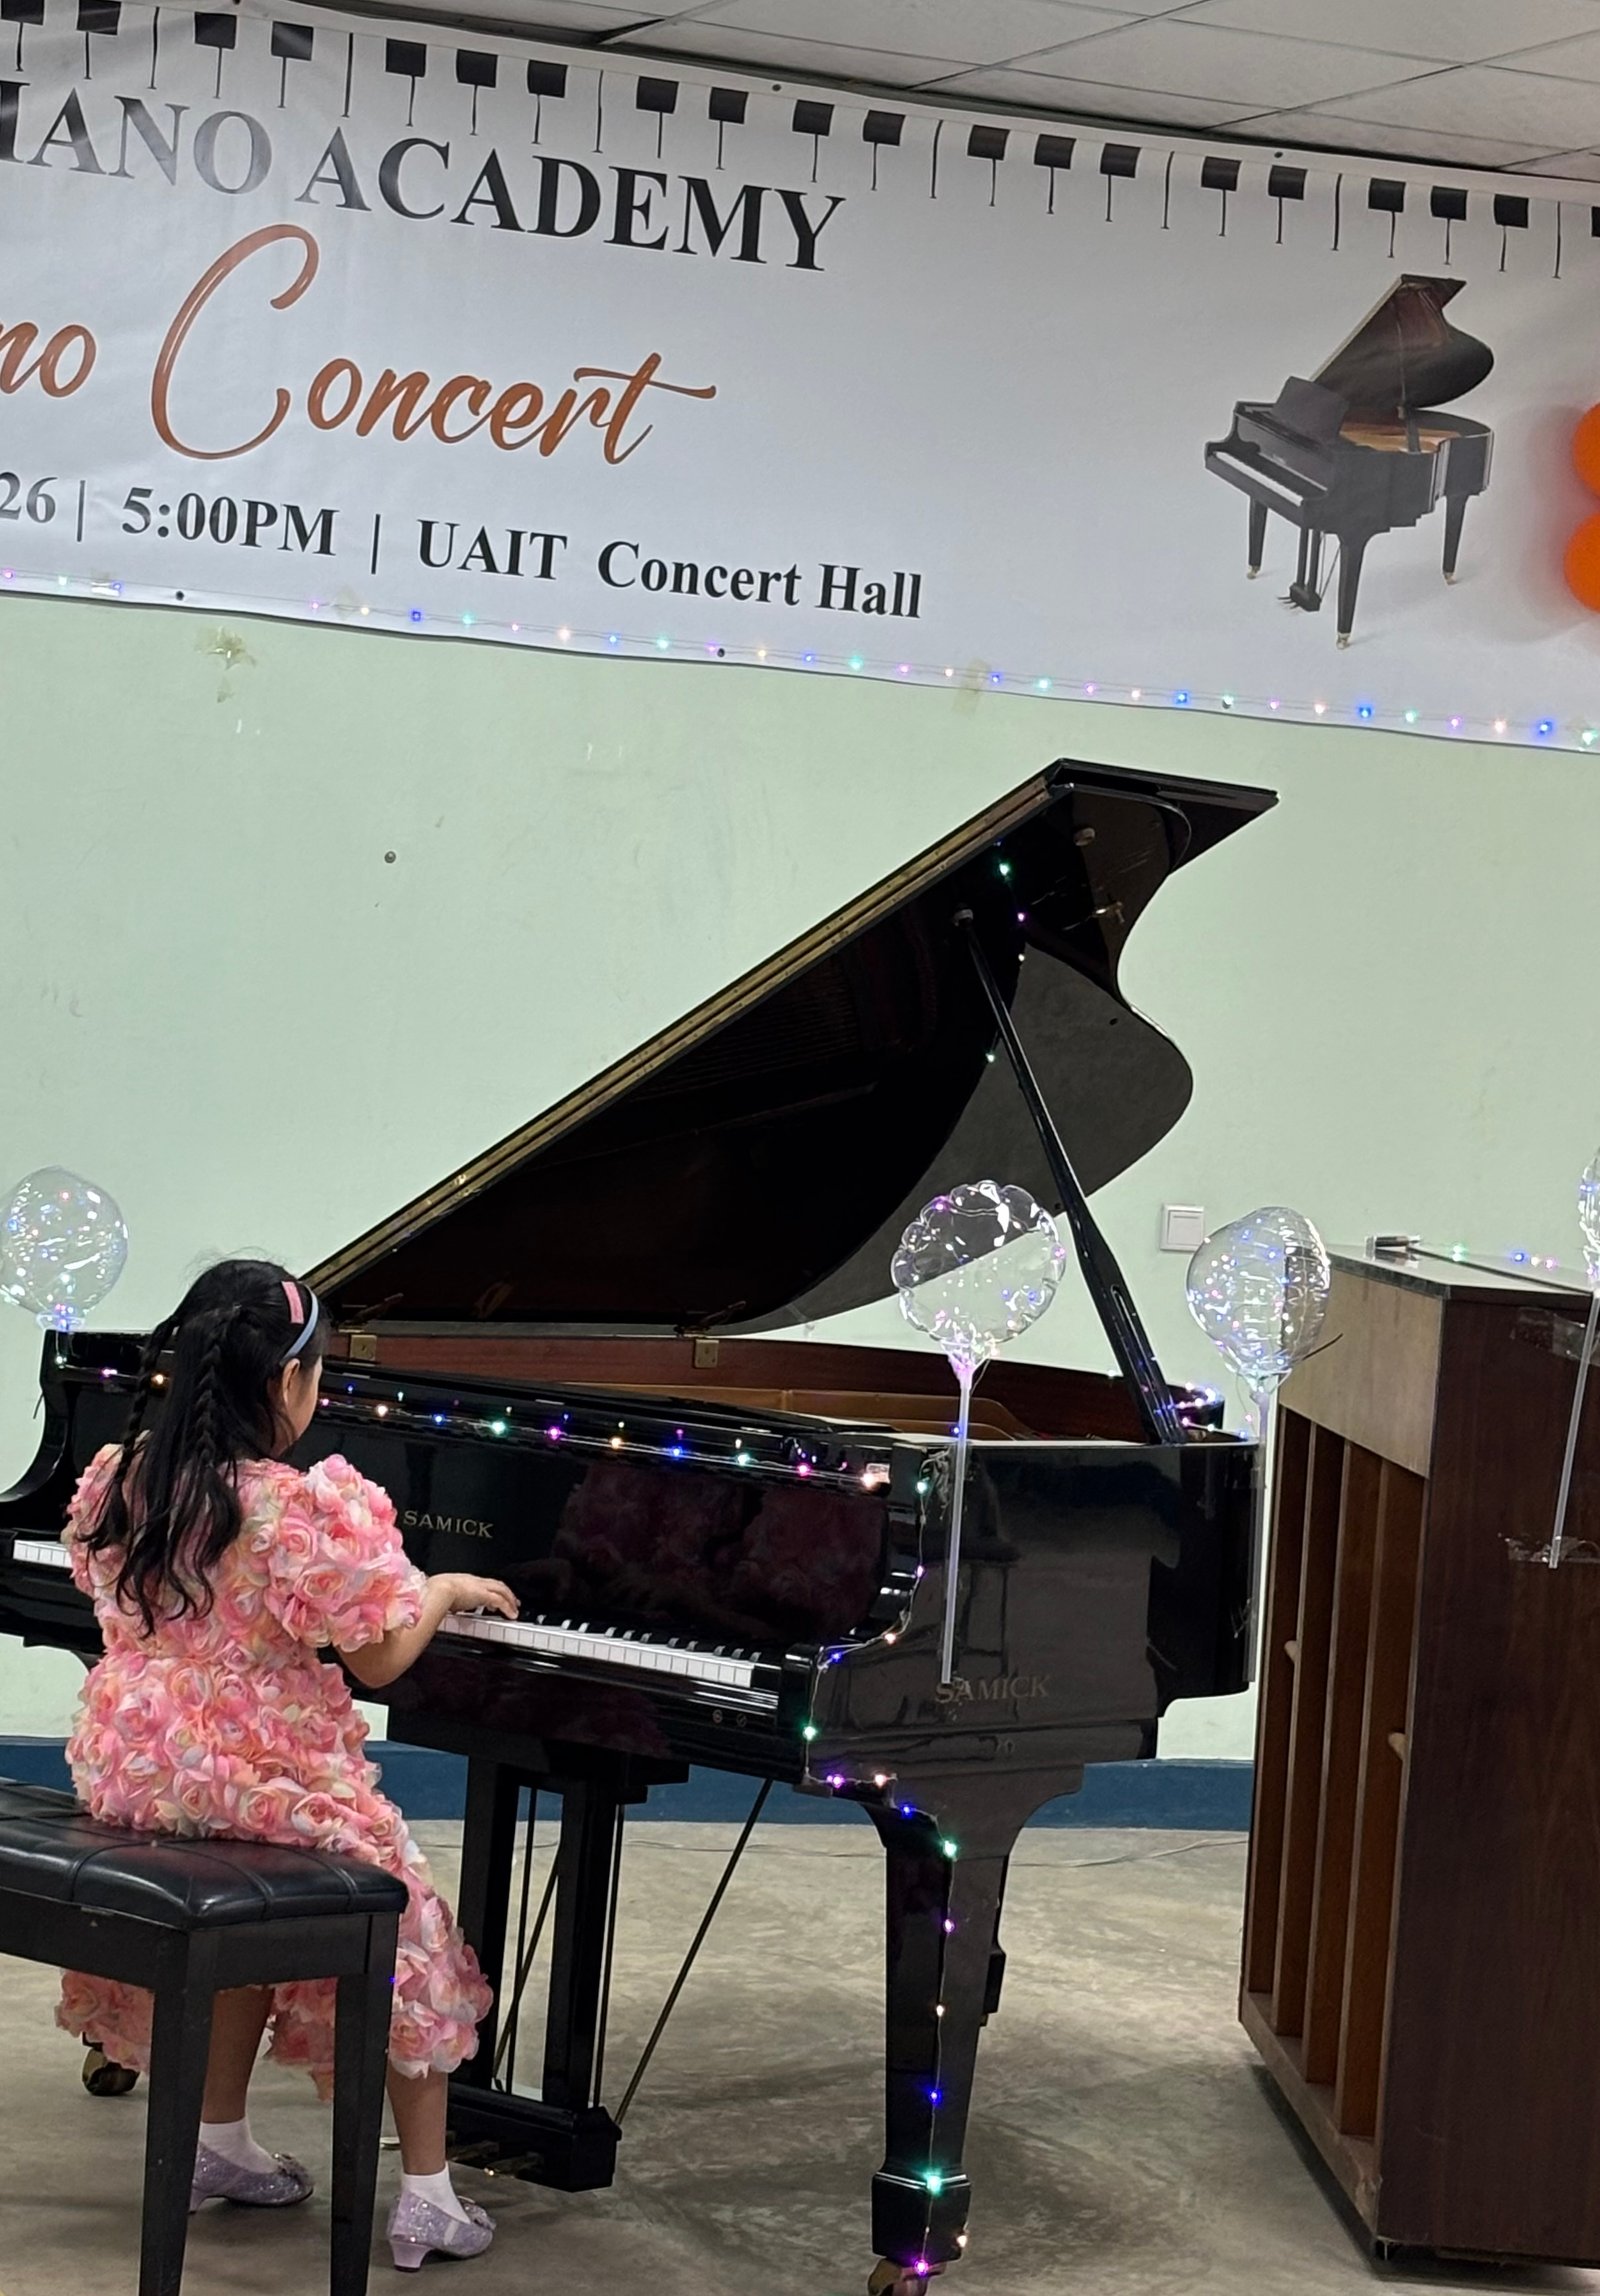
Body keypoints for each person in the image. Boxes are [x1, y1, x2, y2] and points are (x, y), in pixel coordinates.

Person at [57, 1258, 519, 2271]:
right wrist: (439, 1590)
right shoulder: (299, 1506)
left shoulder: (127, 1475)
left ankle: (218, 2144)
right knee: (407, 1923)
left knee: (248, 1889)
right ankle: (432, 2196)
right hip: (262, 1772)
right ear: (286, 1386)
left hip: (137, 1766)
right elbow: (383, 1657)